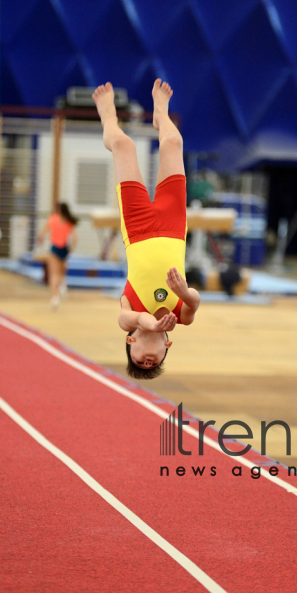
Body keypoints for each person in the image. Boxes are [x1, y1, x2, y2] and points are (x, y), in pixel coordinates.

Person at [92, 79, 200, 380]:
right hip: (173, 225)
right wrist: (183, 293)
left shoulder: (129, 321)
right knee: (173, 144)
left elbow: (131, 316)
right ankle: (161, 114)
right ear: (168, 345)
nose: (148, 360)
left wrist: (150, 324)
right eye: (155, 363)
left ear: (131, 342)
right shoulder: (180, 317)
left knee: (123, 145)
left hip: (138, 228)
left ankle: (108, 117)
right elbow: (196, 302)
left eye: (140, 362)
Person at [37, 202, 78, 309]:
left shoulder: (53, 219)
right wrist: (71, 248)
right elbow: (74, 238)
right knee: (61, 273)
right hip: (64, 248)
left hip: (55, 248)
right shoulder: (68, 221)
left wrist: (40, 240)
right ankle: (63, 286)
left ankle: (55, 297)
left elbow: (43, 232)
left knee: (53, 274)